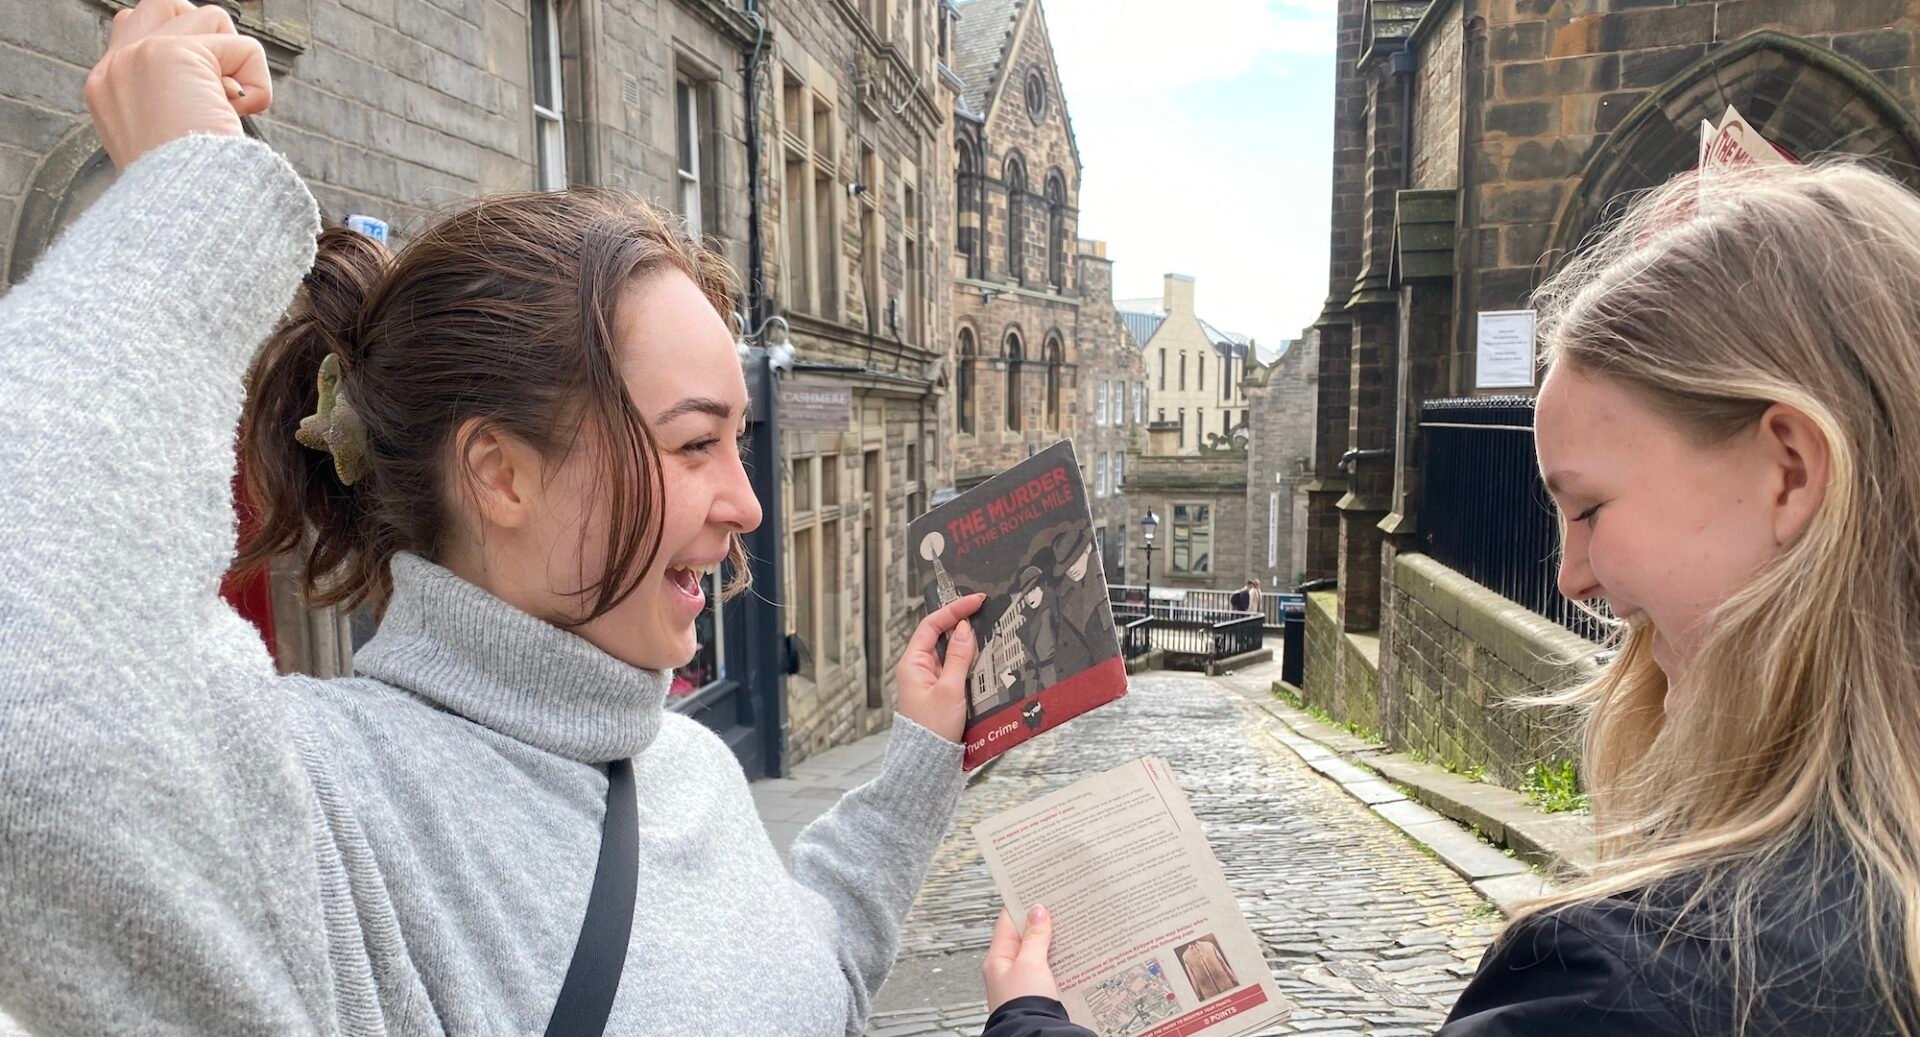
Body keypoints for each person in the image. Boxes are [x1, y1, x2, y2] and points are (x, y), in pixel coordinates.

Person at [0, 3, 985, 1035]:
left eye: (737, 444)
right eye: (694, 444)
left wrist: (915, 769)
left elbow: (803, 983)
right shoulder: (332, 814)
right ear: (500, 473)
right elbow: (45, 724)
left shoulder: (680, 758)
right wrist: (189, 204)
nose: (743, 503)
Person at [975, 159, 1920, 1035]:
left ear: (1791, 471)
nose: (1569, 575)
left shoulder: (1629, 985)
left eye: (1587, 506)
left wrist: (1029, 1019)